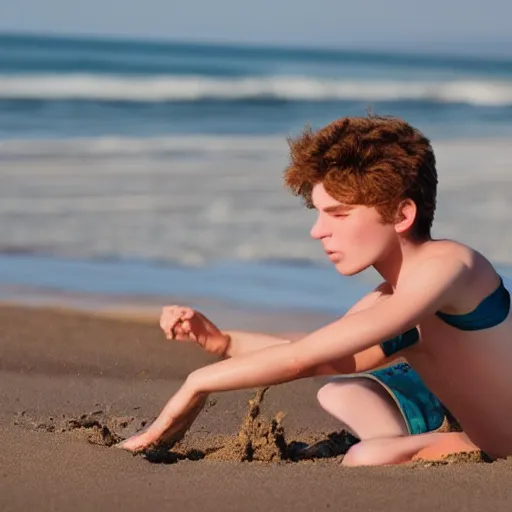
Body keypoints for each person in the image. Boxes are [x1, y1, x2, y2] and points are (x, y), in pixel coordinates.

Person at [118, 115, 511, 465]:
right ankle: (432, 420)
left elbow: (300, 359)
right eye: (319, 213)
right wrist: (221, 342)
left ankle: (429, 426)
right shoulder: (392, 298)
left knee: (366, 456)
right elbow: (320, 353)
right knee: (338, 393)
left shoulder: (449, 267)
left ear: (402, 214)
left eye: (338, 214)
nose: (318, 230)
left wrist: (198, 382)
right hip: (481, 423)